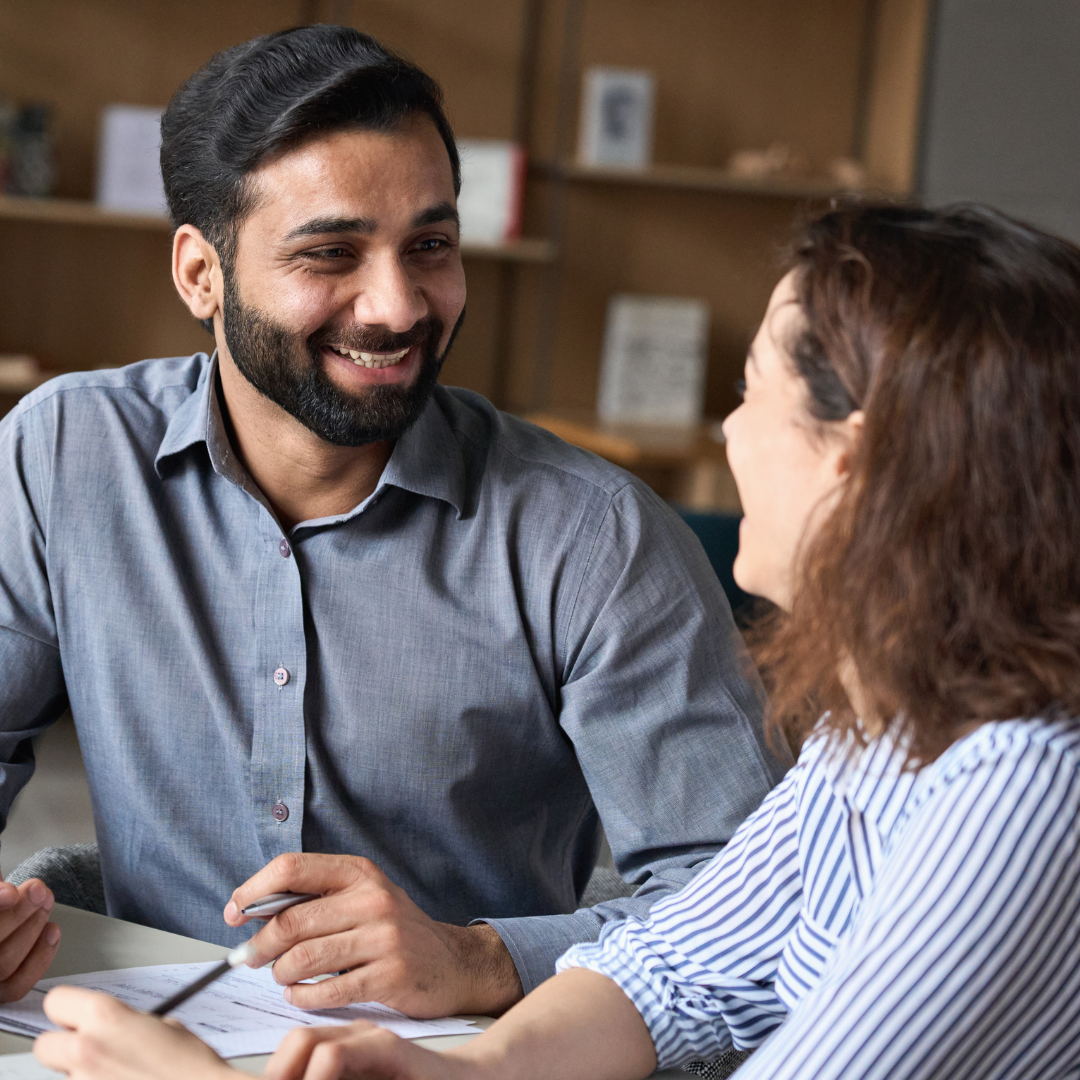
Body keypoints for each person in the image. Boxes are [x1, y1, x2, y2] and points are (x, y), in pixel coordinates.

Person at [34, 202, 1080, 1078]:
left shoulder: (1021, 789)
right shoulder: (886, 735)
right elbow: (679, 968)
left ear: (854, 461)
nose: (728, 431)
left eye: (753, 388)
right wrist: (464, 1074)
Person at [0, 25, 786, 1017]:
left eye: (431, 246)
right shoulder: (62, 454)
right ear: (200, 274)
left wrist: (481, 959)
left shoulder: (593, 536)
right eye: (331, 253)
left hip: (461, 1056)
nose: (399, 304)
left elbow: (756, 920)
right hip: (133, 1031)